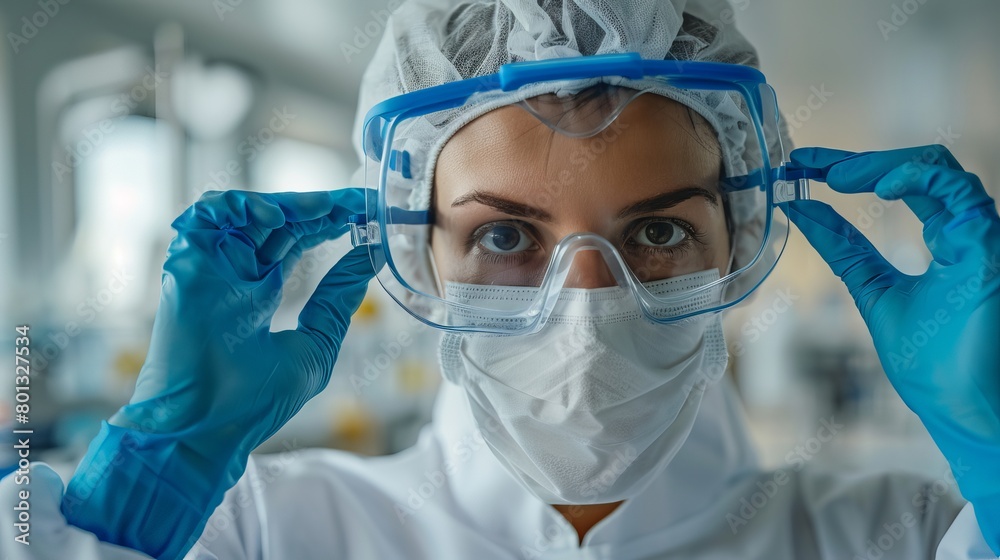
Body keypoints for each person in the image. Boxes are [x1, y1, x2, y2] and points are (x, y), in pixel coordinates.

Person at [3, 0, 999, 558]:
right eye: (504, 238)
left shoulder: (899, 538)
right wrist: (133, 505)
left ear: (735, 242)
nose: (584, 307)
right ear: (406, 248)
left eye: (655, 228)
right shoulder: (263, 532)